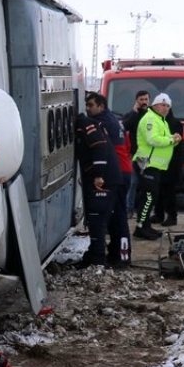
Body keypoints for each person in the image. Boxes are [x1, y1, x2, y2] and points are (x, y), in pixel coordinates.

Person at [86, 93, 132, 267]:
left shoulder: (102, 123)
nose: (88, 109)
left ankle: (122, 257)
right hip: (123, 170)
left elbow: (101, 149)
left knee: (118, 216)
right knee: (115, 215)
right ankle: (117, 255)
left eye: (91, 105)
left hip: (117, 173)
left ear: (101, 106)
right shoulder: (114, 120)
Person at [74, 112, 121, 267]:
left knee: (97, 220)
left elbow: (99, 148)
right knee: (96, 220)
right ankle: (94, 254)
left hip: (104, 180)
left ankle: (97, 260)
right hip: (106, 178)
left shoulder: (86, 126)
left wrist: (98, 175)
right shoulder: (88, 125)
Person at [133, 93, 181, 240]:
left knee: (151, 197)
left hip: (156, 164)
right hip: (147, 163)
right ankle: (141, 227)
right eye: (162, 104)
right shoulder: (150, 119)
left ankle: (145, 225)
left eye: (168, 106)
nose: (165, 108)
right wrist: (171, 139)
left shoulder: (162, 121)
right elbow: (153, 139)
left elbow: (165, 140)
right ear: (154, 105)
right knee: (148, 197)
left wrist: (174, 139)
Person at [121, 90, 151, 214]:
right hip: (135, 155)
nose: (144, 102)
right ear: (136, 101)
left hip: (148, 155)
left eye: (146, 99)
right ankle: (129, 209)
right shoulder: (131, 115)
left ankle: (143, 209)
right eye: (141, 99)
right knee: (133, 183)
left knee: (146, 184)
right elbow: (124, 126)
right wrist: (134, 112)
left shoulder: (151, 115)